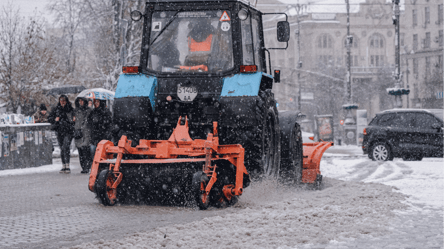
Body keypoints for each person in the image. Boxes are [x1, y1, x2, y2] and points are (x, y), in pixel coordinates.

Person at [48, 95, 75, 174]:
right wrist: (55, 119)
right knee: (62, 148)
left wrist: (73, 120)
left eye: (64, 100)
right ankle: (63, 165)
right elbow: (49, 118)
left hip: (69, 131)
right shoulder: (56, 109)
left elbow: (74, 118)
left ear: (66, 101)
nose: (62, 102)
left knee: (66, 146)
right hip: (59, 131)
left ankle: (67, 165)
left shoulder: (70, 109)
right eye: (61, 100)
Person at [74, 97, 92, 174]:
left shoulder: (89, 111)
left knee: (85, 149)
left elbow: (89, 121)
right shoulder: (76, 111)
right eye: (79, 101)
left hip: (86, 133)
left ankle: (87, 166)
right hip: (78, 132)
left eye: (81, 101)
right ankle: (84, 166)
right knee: (80, 150)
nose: (80, 102)